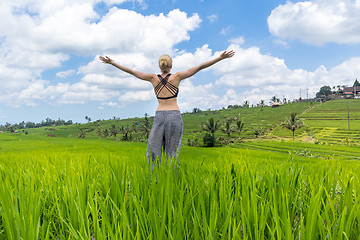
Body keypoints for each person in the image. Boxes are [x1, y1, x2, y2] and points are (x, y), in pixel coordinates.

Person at [99, 50, 235, 164]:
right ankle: (171, 177)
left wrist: (113, 63)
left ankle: (154, 179)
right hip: (174, 115)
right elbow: (199, 67)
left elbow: (132, 72)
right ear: (171, 65)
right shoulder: (177, 76)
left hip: (159, 116)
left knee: (154, 151)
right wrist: (220, 58)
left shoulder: (153, 78)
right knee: (172, 152)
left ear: (160, 66)